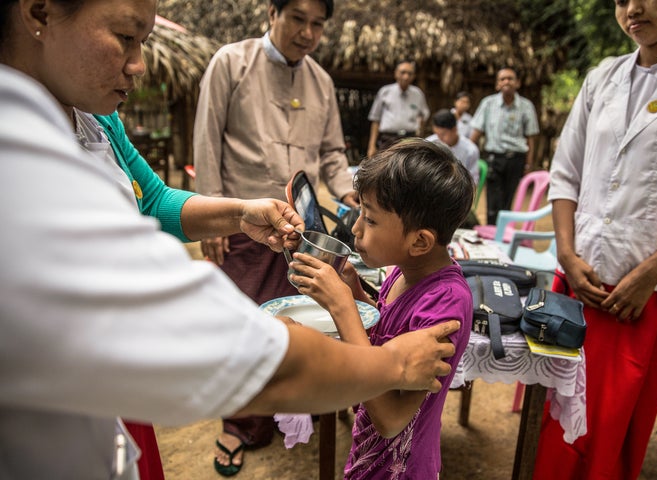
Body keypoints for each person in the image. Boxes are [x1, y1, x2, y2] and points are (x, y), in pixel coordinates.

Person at [0, 61, 462, 479]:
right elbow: (240, 355)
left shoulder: (94, 116)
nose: (138, 62)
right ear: (38, 14)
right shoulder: (21, 161)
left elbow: (155, 199)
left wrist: (241, 214)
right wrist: (385, 352)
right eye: (124, 36)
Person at [532, 1, 657, 478]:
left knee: (613, 424)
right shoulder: (602, 78)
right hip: (578, 281)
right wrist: (567, 255)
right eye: (619, 0)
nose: (632, 9)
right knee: (559, 416)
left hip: (650, 297)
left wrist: (649, 275)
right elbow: (565, 173)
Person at [192, 0, 360, 474]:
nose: (307, 33)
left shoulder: (322, 82)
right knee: (243, 324)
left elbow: (331, 154)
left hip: (301, 228)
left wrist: (351, 192)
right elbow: (206, 140)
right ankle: (241, 424)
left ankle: (295, 409)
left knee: (299, 322)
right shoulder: (231, 62)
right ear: (272, 12)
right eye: (297, 19)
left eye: (318, 25)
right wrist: (212, 219)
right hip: (242, 222)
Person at [290, 139, 475, 479]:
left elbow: (390, 419)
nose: (356, 229)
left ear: (419, 242)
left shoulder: (446, 302)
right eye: (360, 212)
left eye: (371, 220)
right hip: (370, 455)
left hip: (400, 468)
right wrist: (356, 293)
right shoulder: (406, 271)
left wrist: (343, 308)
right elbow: (386, 336)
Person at [469, 67, 539, 225]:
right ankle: (491, 234)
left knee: (508, 199)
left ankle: (503, 233)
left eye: (510, 78)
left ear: (518, 83)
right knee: (493, 200)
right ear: (497, 85)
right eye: (502, 79)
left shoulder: (527, 107)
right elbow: (476, 132)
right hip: (494, 158)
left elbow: (530, 138)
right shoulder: (488, 104)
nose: (506, 82)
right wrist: (466, 154)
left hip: (516, 159)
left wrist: (529, 163)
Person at [366, 59, 430, 157]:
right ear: (396, 73)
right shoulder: (385, 92)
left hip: (410, 139)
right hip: (388, 140)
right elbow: (375, 119)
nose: (406, 76)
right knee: (386, 169)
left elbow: (424, 115)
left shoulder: (418, 94)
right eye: (403, 72)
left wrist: (419, 137)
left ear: (414, 76)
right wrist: (371, 146)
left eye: (410, 73)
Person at [425, 108, 480, 185]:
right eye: (437, 134)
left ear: (454, 130)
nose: (439, 138)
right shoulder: (430, 143)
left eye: (443, 134)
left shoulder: (470, 150)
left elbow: (473, 180)